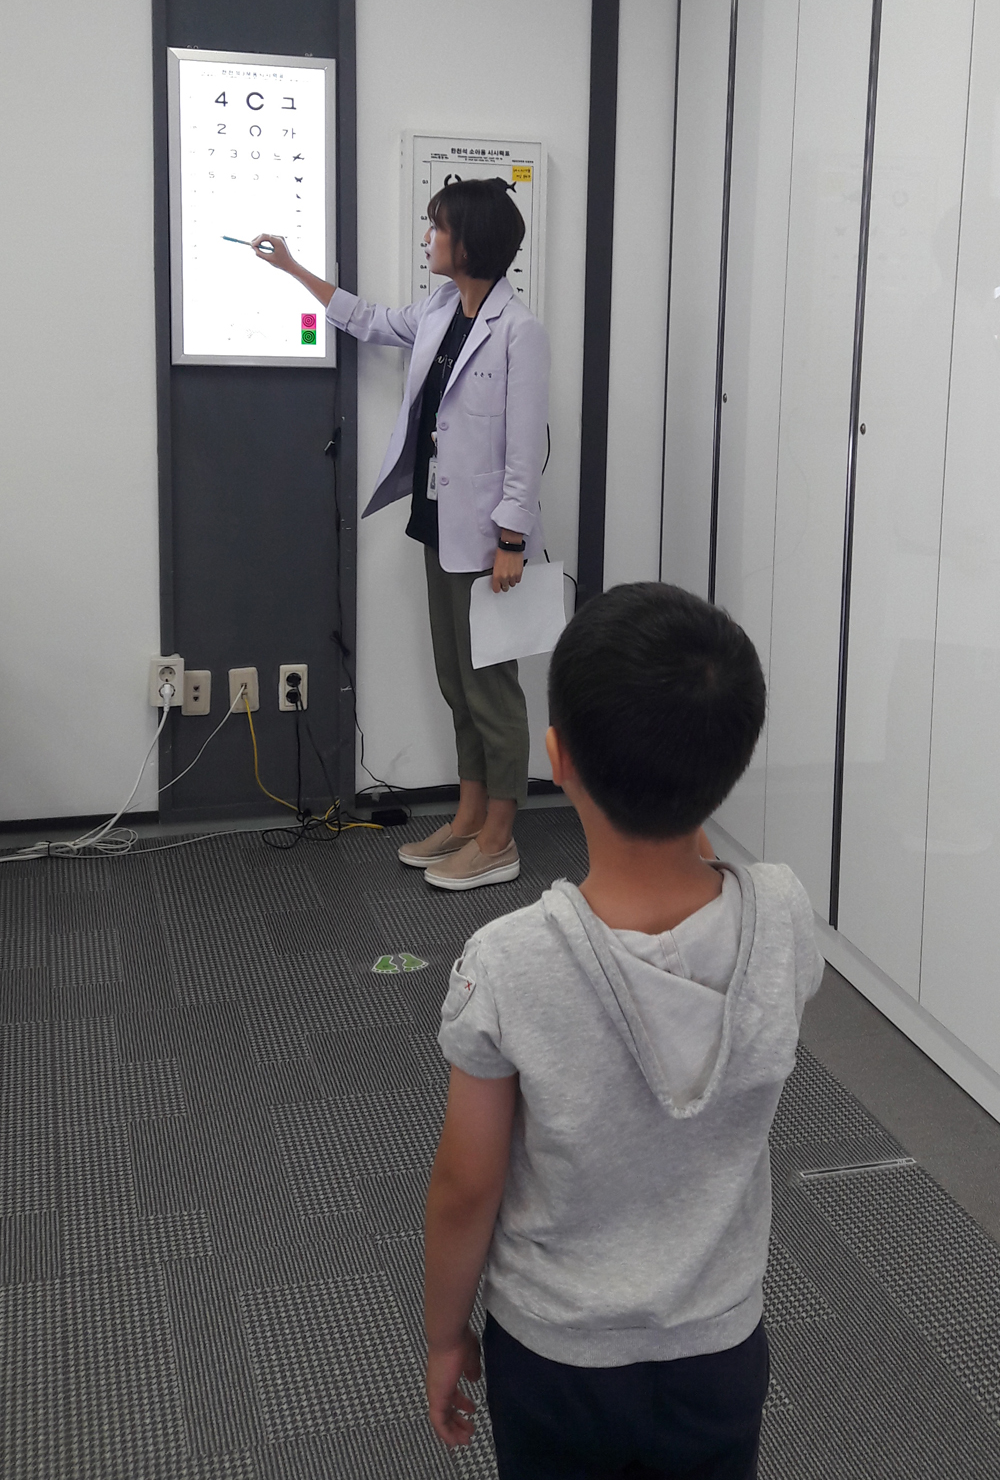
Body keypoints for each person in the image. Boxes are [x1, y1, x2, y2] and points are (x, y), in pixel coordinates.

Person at [423, 582, 825, 1479]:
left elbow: (465, 1186)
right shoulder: (786, 914)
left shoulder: (510, 961)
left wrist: (444, 1334)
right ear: (733, 761)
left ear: (557, 758)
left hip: (556, 1354)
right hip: (718, 1346)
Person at [251, 177, 549, 891]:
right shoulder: (443, 308)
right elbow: (372, 320)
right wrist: (293, 269)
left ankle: (500, 839)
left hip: (490, 540)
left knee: (492, 690)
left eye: (437, 227)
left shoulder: (519, 330)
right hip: (440, 521)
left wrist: (511, 541)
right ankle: (469, 817)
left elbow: (523, 447)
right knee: (457, 681)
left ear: (469, 241)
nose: (427, 238)